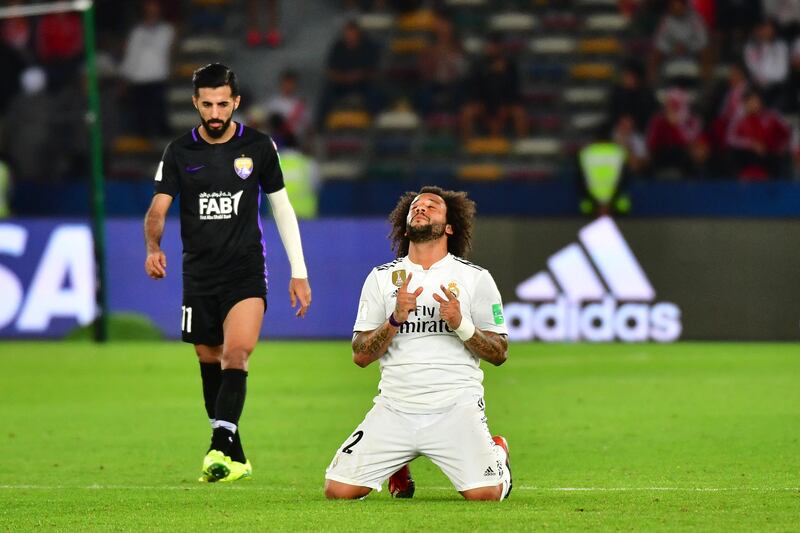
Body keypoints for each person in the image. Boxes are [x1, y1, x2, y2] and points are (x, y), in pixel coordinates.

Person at [143, 63, 312, 482]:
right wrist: (152, 247)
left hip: (245, 271)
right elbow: (159, 207)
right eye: (207, 104)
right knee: (207, 356)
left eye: (223, 104)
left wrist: (299, 271)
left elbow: (282, 208)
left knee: (236, 353)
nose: (215, 112)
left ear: (235, 102)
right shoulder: (179, 151)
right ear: (196, 104)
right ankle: (233, 449)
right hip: (198, 275)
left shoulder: (258, 147)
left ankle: (219, 445)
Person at [324, 186, 512, 501]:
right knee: (339, 490)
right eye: (416, 205)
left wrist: (461, 324)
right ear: (405, 221)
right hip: (394, 408)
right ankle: (397, 463)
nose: (421, 208)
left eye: (432, 206)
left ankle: (498, 453)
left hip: (456, 407)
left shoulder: (475, 278)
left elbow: (499, 353)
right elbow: (360, 355)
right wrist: (395, 319)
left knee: (485, 495)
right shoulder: (382, 278)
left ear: (450, 226)